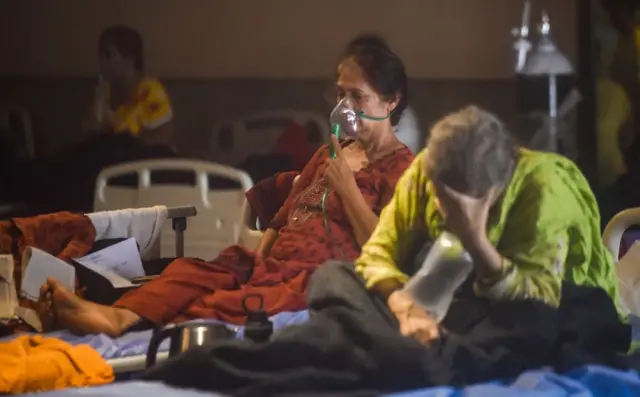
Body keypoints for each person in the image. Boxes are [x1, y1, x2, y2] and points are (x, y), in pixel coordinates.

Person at [37, 36, 415, 337]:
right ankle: (117, 315)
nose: (345, 107)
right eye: (340, 94)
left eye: (357, 96)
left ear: (391, 100)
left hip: (317, 278)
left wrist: (348, 190)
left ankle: (124, 324)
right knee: (190, 272)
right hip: (273, 265)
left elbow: (387, 251)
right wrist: (261, 261)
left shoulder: (402, 170)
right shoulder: (329, 153)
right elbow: (279, 223)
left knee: (229, 304)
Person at [354, 105, 624, 345]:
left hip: (535, 305)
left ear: (494, 192)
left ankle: (438, 349)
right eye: (441, 195)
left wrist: (474, 239)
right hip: (439, 299)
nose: (441, 208)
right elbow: (375, 255)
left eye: (458, 202)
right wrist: (402, 306)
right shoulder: (426, 168)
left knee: (536, 326)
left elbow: (542, 299)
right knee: (336, 278)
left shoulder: (543, 187)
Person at [84, 25, 174, 147]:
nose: (102, 61)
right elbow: (91, 137)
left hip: (141, 162)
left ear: (129, 59)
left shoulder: (149, 90)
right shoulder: (102, 93)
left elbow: (163, 137)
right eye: (100, 55)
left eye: (109, 55)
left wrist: (123, 141)